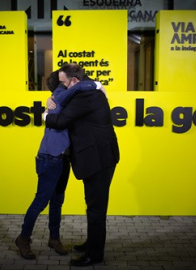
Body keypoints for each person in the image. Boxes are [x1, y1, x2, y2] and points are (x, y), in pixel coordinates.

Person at [15, 70, 101, 260]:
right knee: (41, 200)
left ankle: (54, 239)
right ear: (60, 85)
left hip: (63, 158)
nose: (69, 84)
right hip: (50, 157)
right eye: (63, 82)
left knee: (57, 201)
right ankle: (23, 238)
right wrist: (98, 85)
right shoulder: (59, 96)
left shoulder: (65, 99)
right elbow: (85, 85)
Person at [44, 63, 120, 267]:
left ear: (75, 81)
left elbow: (60, 121)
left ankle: (95, 255)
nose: (61, 87)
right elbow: (63, 99)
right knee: (93, 206)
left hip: (98, 158)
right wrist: (51, 98)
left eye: (63, 83)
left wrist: (45, 115)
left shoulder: (85, 96)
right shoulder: (85, 90)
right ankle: (92, 243)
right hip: (97, 156)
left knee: (96, 209)